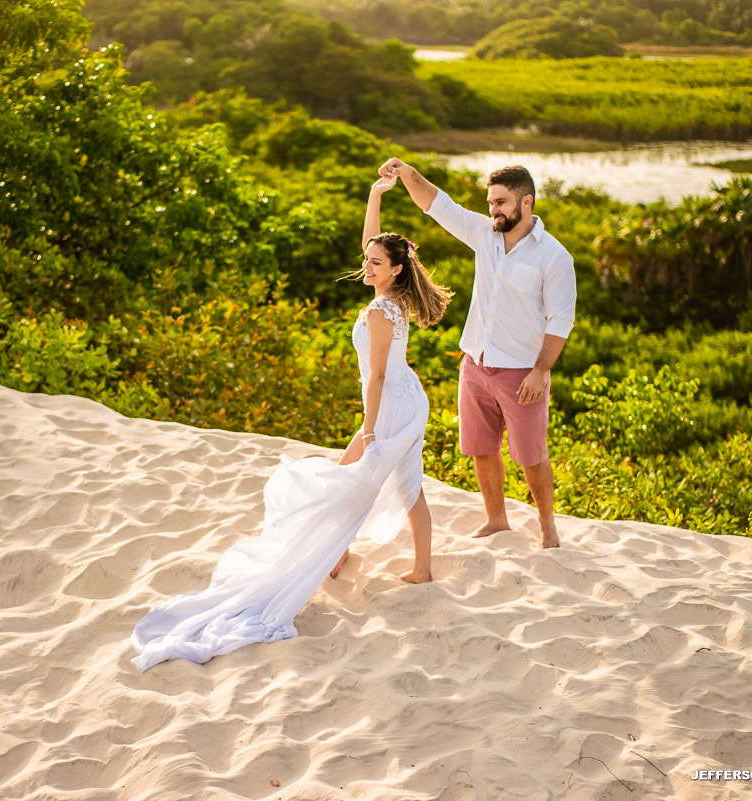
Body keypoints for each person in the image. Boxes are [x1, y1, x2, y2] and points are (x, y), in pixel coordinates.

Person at [131, 174, 453, 672]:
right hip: (406, 397)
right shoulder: (396, 298)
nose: (365, 266)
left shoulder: (378, 311)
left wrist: (368, 428)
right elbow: (373, 245)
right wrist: (374, 194)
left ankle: (391, 564)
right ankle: (382, 561)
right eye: (366, 260)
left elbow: (378, 376)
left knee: (362, 478)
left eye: (374, 263)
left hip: (390, 401)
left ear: (393, 270)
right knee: (373, 479)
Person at [378, 158, 575, 549]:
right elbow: (438, 205)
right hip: (476, 365)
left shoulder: (555, 257)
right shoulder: (484, 234)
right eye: (490, 203)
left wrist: (541, 371)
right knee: (481, 448)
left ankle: (547, 526)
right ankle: (496, 519)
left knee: (531, 455)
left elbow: (560, 320)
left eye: (500, 202)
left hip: (522, 373)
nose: (493, 210)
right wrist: (406, 173)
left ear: (527, 202)